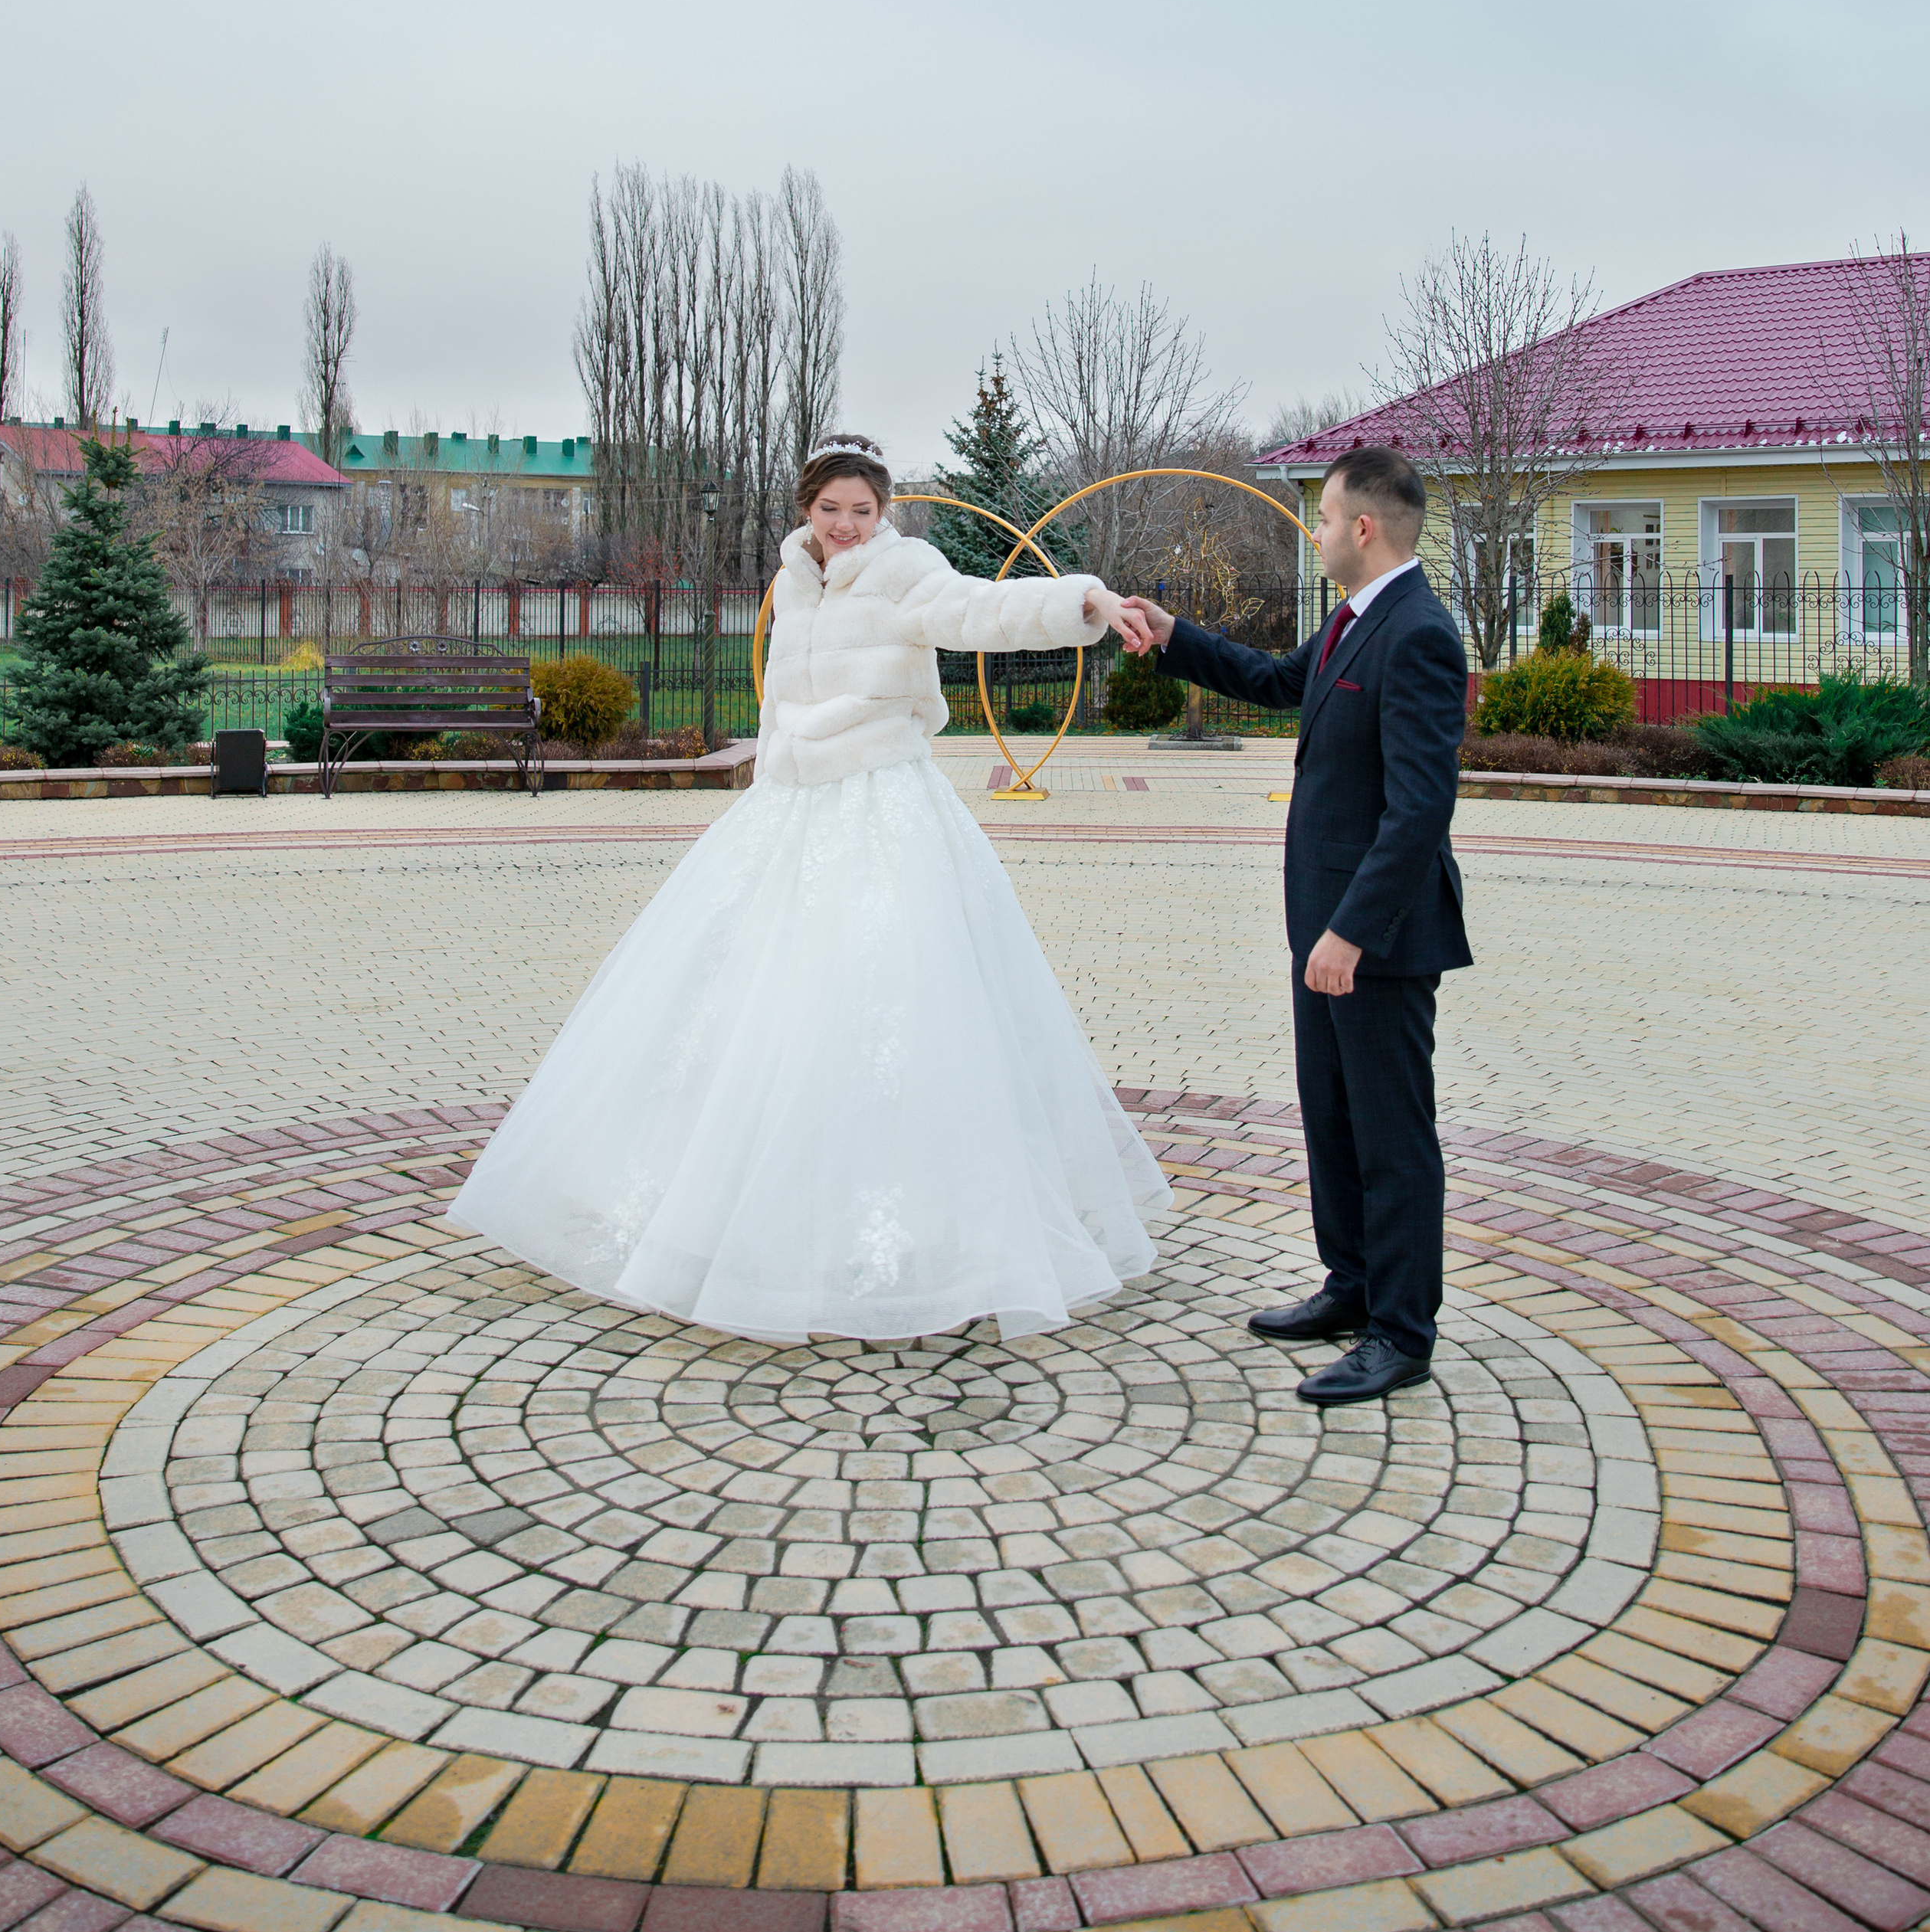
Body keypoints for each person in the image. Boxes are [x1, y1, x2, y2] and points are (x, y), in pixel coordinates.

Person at [449, 434, 1169, 1343]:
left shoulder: (908, 569)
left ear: (885, 511)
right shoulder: (793, 577)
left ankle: (926, 1220)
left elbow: (982, 611)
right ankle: (727, 1210)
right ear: (806, 508)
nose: (846, 526)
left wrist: (1084, 600)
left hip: (880, 805)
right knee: (750, 996)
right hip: (787, 809)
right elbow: (780, 695)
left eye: (863, 510)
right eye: (831, 509)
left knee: (886, 997)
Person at [1118, 444, 1469, 1404]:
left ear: (1362, 527)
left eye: (1320, 518)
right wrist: (1174, 633)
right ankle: (1350, 1286)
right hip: (1319, 928)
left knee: (1393, 1138)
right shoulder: (1355, 621)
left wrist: (1352, 931)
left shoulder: (1420, 634)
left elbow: (1418, 809)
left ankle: (1400, 1332)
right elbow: (1275, 680)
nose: (1313, 533)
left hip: (1375, 942)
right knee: (1333, 1119)